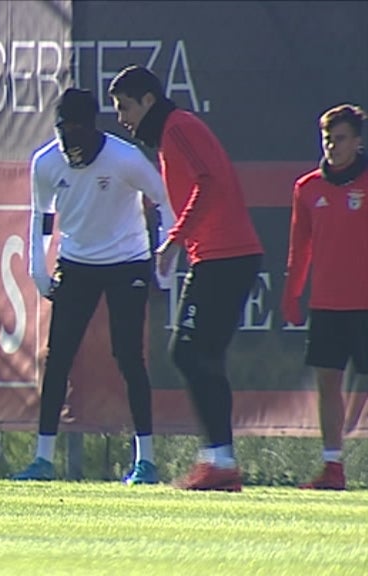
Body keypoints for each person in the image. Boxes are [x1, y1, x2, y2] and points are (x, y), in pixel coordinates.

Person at [109, 65, 264, 491]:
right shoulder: (171, 133)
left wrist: (174, 240)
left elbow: (208, 183)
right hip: (220, 256)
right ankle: (220, 462)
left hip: (225, 256)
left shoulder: (177, 127)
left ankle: (220, 460)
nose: (121, 118)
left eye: (125, 107)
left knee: (189, 352)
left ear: (148, 101)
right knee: (200, 355)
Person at [12, 88, 176, 485]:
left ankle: (146, 461)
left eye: (78, 131)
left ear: (92, 128)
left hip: (127, 261)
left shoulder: (124, 158)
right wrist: (38, 269)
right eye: (63, 131)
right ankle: (43, 459)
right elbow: (41, 216)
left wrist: (165, 257)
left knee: (129, 357)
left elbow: (165, 199)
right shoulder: (46, 163)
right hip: (76, 263)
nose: (71, 142)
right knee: (58, 358)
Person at [282, 104, 368, 491]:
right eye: (328, 139)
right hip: (327, 305)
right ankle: (333, 467)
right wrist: (292, 294)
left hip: (365, 304)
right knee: (327, 382)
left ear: (358, 141)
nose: (333, 146)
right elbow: (300, 248)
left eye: (341, 138)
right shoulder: (308, 188)